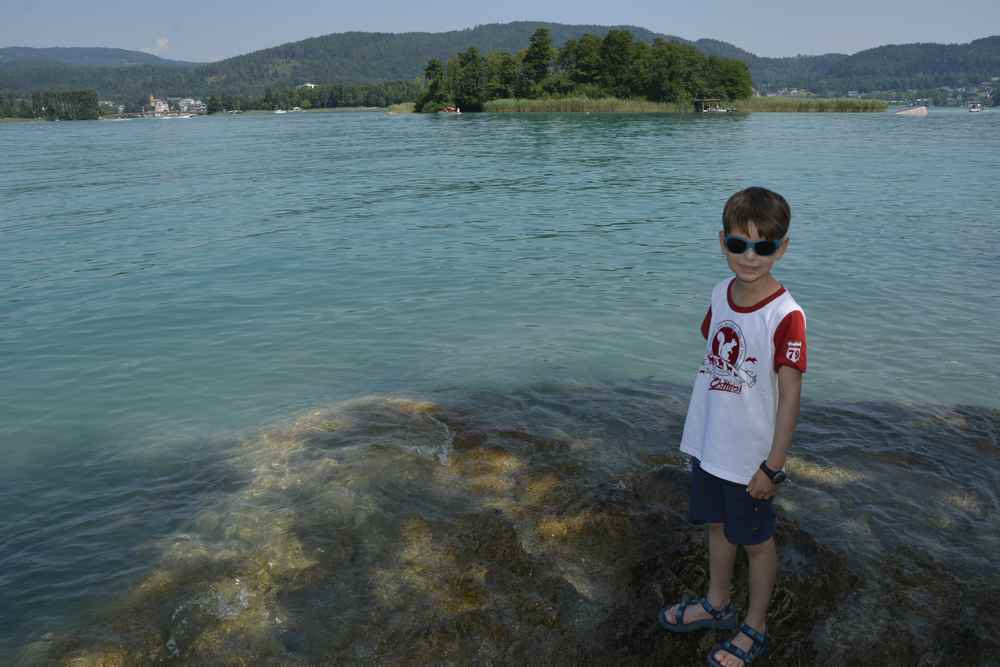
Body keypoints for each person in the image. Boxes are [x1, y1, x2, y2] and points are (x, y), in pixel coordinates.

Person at [659, 187, 807, 667]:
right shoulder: (720, 293)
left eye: (763, 246)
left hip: (751, 460)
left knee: (758, 543)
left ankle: (755, 626)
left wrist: (773, 466)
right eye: (738, 244)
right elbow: (717, 352)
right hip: (710, 445)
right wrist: (702, 440)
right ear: (720, 242)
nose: (749, 257)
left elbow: (789, 398)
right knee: (718, 527)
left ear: (781, 248)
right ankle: (717, 602)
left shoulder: (786, 316)